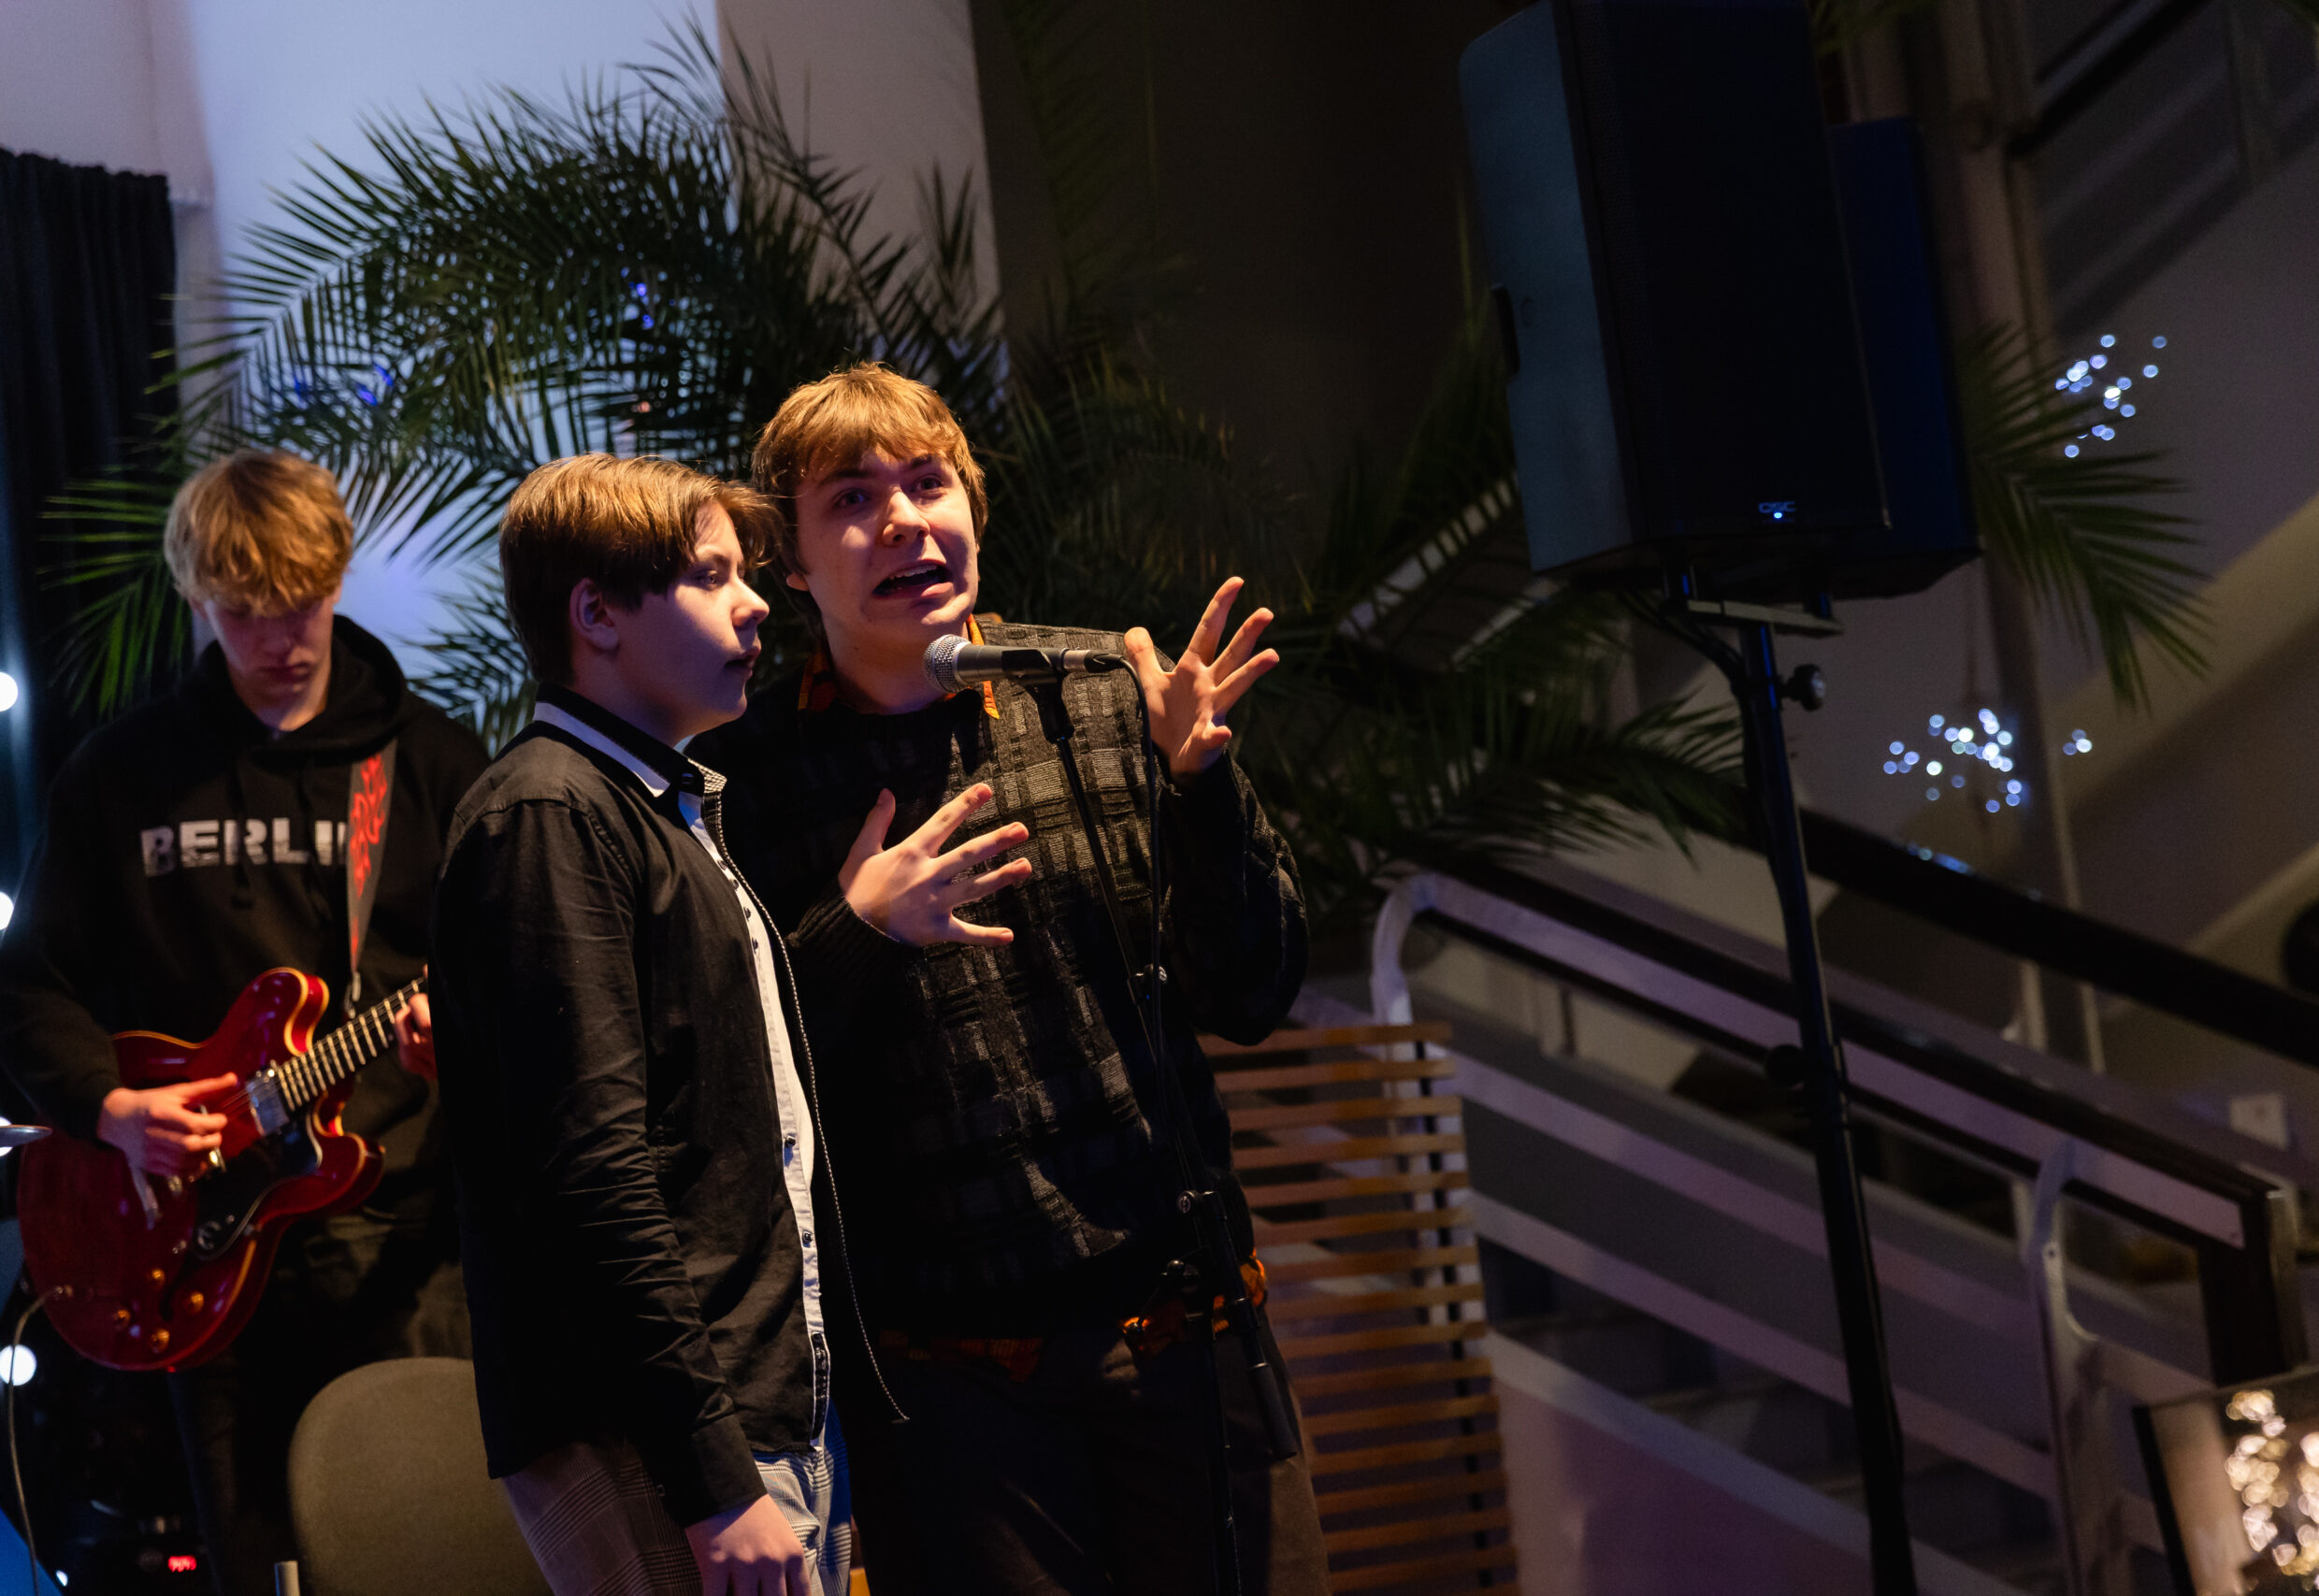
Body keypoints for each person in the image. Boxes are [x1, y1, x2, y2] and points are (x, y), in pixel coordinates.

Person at [692, 363, 1331, 1595]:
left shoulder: (1105, 692)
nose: (904, 520)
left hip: (1187, 1331)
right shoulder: (744, 775)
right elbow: (730, 1090)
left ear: (973, 510)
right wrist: (856, 932)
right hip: (950, 1390)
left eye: (928, 484)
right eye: (852, 499)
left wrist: (1201, 788)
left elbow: (1251, 995)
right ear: (792, 564)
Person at [431, 453, 1009, 1596]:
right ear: (595, 614)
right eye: (710, 576)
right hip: (661, 1434)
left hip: (745, 1409)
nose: (753, 605)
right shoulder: (550, 811)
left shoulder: (656, 805)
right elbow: (592, 1176)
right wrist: (710, 1475)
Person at [0, 449, 491, 1594]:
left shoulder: (432, 763)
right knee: (254, 1555)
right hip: (200, 1240)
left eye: (303, 602)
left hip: (399, 1234)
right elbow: (26, 985)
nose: (281, 638)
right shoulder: (119, 777)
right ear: (195, 596)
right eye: (245, 612)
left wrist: (461, 1043)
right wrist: (110, 1107)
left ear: (338, 575)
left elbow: (513, 978)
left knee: (426, 1548)